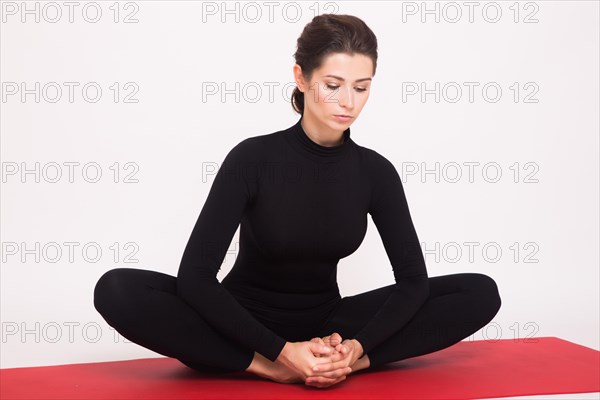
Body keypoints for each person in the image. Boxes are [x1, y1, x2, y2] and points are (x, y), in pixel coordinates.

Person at [93, 14, 502, 389]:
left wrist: (355, 349)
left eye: (362, 88)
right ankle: (268, 367)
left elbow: (413, 281)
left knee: (479, 292)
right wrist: (282, 354)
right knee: (117, 289)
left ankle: (336, 366)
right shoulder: (253, 159)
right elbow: (195, 277)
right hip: (240, 326)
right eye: (333, 85)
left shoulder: (375, 172)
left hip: (329, 325)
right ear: (301, 78)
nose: (349, 102)